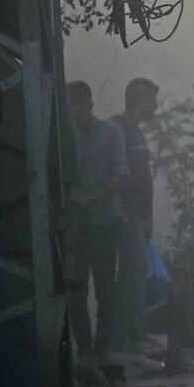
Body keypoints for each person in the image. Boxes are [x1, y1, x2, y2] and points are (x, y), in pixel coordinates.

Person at [67, 81, 130, 366]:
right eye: (70, 105)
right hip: (73, 225)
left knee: (105, 287)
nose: (74, 110)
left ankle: (102, 348)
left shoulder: (110, 132)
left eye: (78, 103)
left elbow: (121, 175)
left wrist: (88, 199)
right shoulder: (62, 137)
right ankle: (85, 350)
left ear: (90, 105)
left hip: (104, 221)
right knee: (76, 288)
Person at [111, 77, 159, 348]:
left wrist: (148, 215)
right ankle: (134, 333)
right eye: (153, 99)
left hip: (138, 215)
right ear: (140, 99)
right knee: (137, 269)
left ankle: (120, 333)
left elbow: (143, 176)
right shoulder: (117, 128)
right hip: (126, 215)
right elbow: (110, 170)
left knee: (130, 272)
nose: (156, 106)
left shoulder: (136, 131)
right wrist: (119, 208)